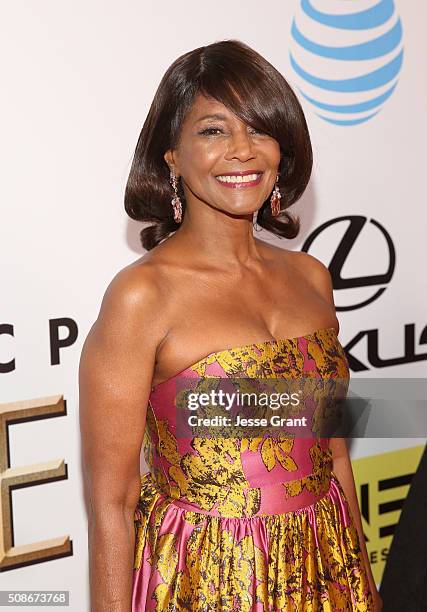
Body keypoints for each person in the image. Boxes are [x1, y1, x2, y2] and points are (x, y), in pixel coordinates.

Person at [79, 39, 382, 611]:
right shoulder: (142, 296)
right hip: (207, 577)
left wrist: (361, 584)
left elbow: (335, 455)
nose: (242, 151)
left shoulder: (312, 278)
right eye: (214, 130)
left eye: (260, 129)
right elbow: (114, 503)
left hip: (324, 561)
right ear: (171, 155)